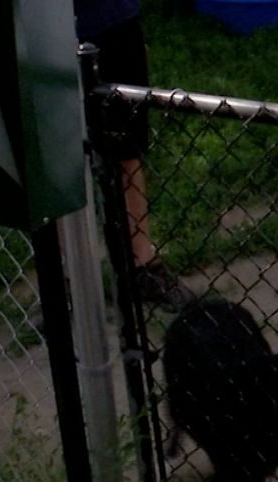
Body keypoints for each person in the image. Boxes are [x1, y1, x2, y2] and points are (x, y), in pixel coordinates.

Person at [74, 0, 193, 309]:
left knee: (127, 148)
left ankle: (142, 267)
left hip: (112, 21)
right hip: (41, 32)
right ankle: (67, 278)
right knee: (57, 160)